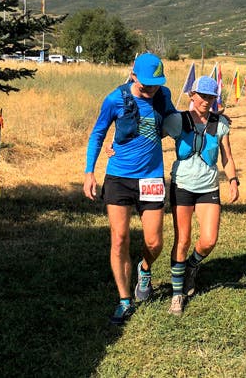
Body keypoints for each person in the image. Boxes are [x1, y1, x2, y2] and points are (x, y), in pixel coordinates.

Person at [83, 53, 176, 325]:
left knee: (154, 242)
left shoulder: (163, 95)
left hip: (151, 178)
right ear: (133, 75)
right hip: (119, 178)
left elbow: (173, 123)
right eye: (146, 84)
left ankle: (144, 268)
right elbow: (98, 133)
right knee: (119, 238)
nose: (150, 90)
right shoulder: (115, 98)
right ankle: (125, 300)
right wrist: (90, 171)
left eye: (156, 84)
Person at [163, 75, 239, 316]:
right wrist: (117, 145)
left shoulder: (220, 124)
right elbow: (150, 135)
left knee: (208, 240)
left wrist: (233, 180)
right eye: (202, 96)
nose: (206, 101)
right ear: (191, 96)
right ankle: (177, 295)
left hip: (208, 187)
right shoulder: (177, 121)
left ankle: (191, 267)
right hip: (182, 186)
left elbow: (226, 155)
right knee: (182, 240)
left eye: (211, 97)